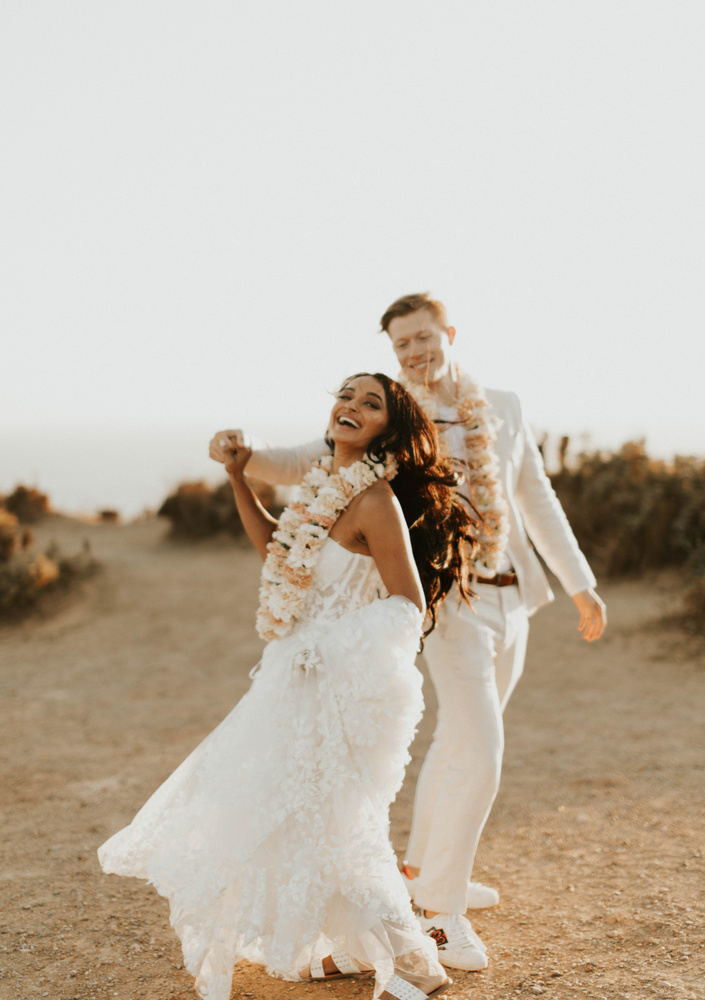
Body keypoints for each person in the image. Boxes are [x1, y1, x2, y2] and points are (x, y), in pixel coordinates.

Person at [208, 292, 607, 973]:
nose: (415, 351)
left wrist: (580, 583)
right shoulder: (390, 416)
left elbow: (534, 496)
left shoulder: (502, 406)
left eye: (423, 337)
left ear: (448, 333)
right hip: (447, 602)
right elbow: (306, 459)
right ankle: (441, 916)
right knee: (480, 747)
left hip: (511, 593)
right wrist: (242, 455)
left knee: (459, 744)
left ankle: (425, 870)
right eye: (402, 344)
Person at [99, 373, 478, 1000]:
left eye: (371, 403)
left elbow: (407, 605)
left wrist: (328, 648)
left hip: (339, 683)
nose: (351, 407)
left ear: (388, 429)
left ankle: (415, 964)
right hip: (291, 676)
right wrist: (237, 479)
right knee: (291, 814)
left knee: (339, 820)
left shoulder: (375, 499)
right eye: (346, 396)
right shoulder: (321, 486)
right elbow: (278, 550)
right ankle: (349, 946)